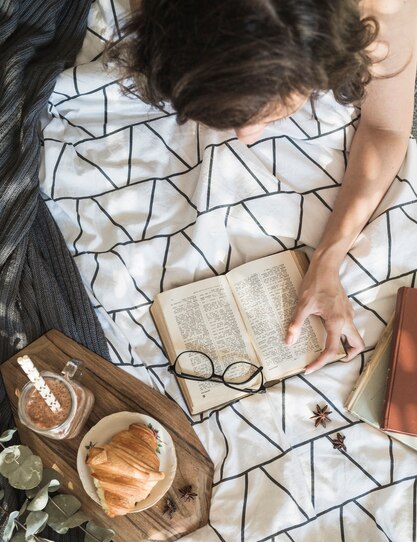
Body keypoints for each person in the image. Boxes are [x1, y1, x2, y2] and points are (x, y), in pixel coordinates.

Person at [110, 0, 417, 373]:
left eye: (268, 115)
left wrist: (329, 258)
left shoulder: (384, 9)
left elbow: (386, 128)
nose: (245, 137)